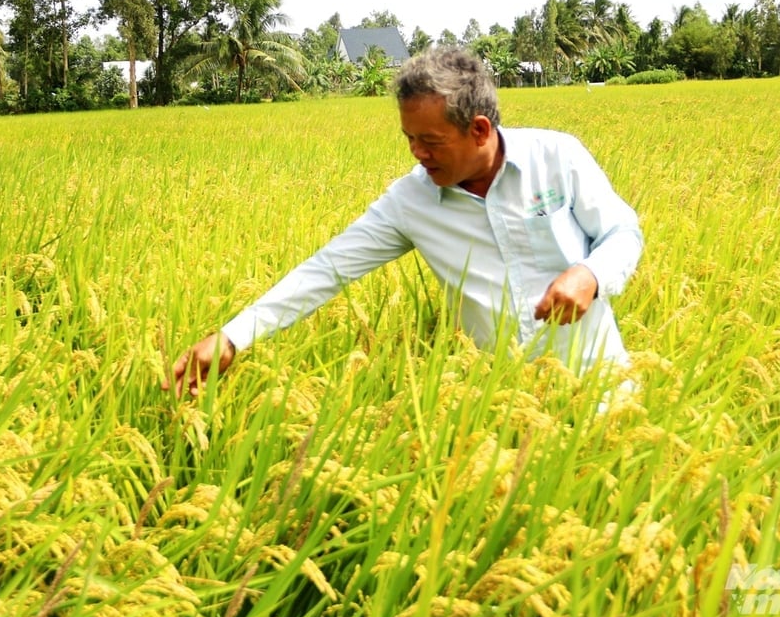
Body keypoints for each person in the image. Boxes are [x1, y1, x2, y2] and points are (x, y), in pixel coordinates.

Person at [166, 46, 643, 398]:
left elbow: (623, 232)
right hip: (500, 406)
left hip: (601, 392)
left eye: (430, 140)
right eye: (409, 138)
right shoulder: (411, 200)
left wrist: (590, 274)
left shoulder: (556, 157)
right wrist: (233, 336)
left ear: (479, 130)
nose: (417, 153)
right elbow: (327, 269)